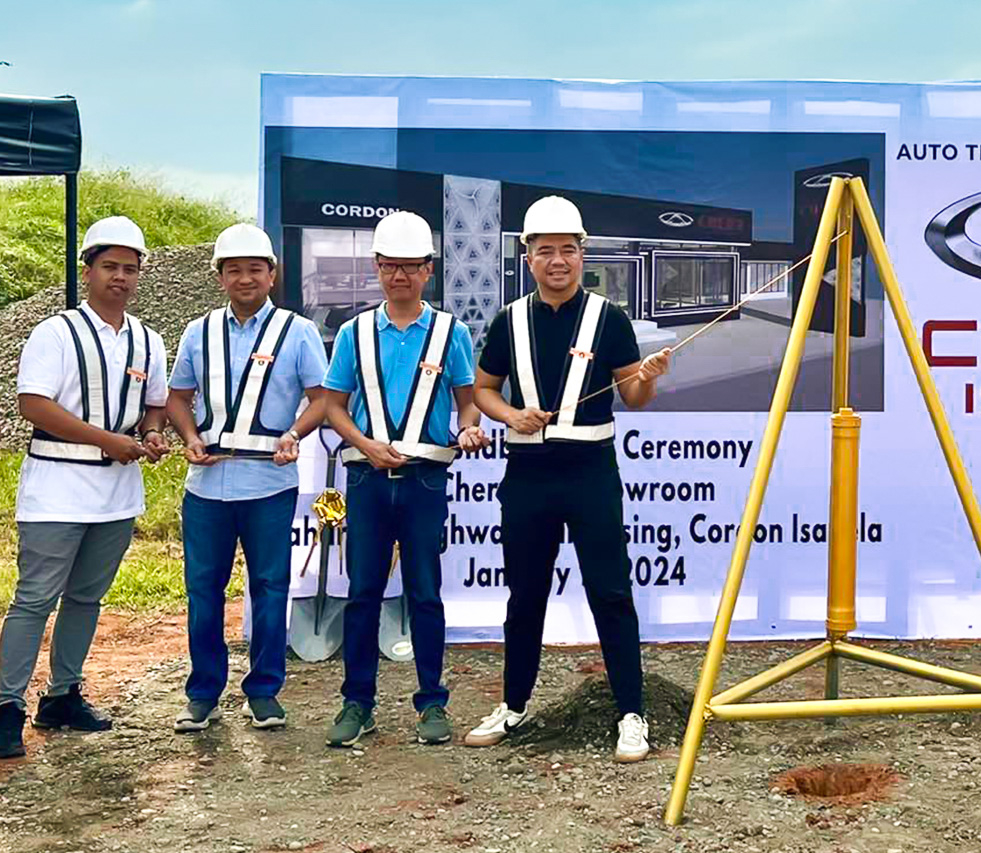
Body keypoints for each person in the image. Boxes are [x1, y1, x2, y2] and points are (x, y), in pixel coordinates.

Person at [465, 196, 671, 763]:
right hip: (528, 475)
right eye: (545, 251)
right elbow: (483, 390)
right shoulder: (509, 320)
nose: (557, 261)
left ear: (583, 254)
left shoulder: (610, 318)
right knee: (525, 594)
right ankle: (513, 706)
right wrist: (510, 416)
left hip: (590, 472)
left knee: (611, 590)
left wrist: (650, 376)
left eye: (568, 250)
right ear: (528, 257)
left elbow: (634, 395)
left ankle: (631, 713)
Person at [0, 216, 169, 758]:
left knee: (86, 598)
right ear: (88, 271)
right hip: (57, 486)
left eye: (129, 268)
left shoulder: (148, 340)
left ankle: (62, 695)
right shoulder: (55, 333)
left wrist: (151, 433)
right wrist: (107, 440)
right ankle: (6, 707)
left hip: (116, 492)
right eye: (109, 266)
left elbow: (155, 406)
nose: (120, 277)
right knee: (34, 600)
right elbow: (33, 404)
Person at [322, 211, 489, 748]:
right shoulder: (354, 333)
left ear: (428, 270)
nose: (400, 276)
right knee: (362, 593)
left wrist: (469, 429)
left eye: (411, 266)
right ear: (376, 267)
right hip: (367, 478)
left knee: (425, 592)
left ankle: (432, 703)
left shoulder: (450, 332)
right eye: (390, 266)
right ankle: (357, 702)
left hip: (424, 480)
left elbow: (468, 401)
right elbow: (333, 405)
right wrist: (366, 444)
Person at [166, 223, 328, 733]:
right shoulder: (199, 332)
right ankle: (203, 693)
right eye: (233, 270)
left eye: (254, 269)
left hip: (269, 485)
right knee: (203, 590)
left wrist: (294, 432)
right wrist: (189, 436)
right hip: (206, 487)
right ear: (220, 277)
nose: (244, 279)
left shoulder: (297, 332)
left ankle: (264, 692)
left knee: (270, 588)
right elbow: (177, 397)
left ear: (272, 275)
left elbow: (322, 398)